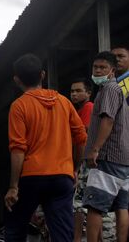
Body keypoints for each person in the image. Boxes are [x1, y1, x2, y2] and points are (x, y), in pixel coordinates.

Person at [4, 54, 87, 241]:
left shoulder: (19, 106)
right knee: (62, 235)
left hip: (32, 177)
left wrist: (13, 187)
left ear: (17, 79)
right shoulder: (64, 102)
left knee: (15, 228)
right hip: (62, 177)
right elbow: (81, 138)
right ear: (42, 75)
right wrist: (74, 169)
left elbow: (18, 149)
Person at [84, 51, 129, 242]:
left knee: (95, 207)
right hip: (123, 159)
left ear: (112, 70)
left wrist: (95, 149)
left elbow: (108, 120)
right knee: (122, 207)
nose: (98, 71)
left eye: (102, 67)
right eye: (95, 67)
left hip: (108, 156)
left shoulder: (110, 89)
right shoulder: (117, 90)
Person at [69, 78, 94, 242]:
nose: (74, 94)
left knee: (78, 204)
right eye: (72, 91)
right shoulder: (78, 111)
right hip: (83, 162)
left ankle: (76, 239)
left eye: (78, 91)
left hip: (85, 162)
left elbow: (83, 139)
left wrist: (77, 168)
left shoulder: (88, 107)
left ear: (88, 93)